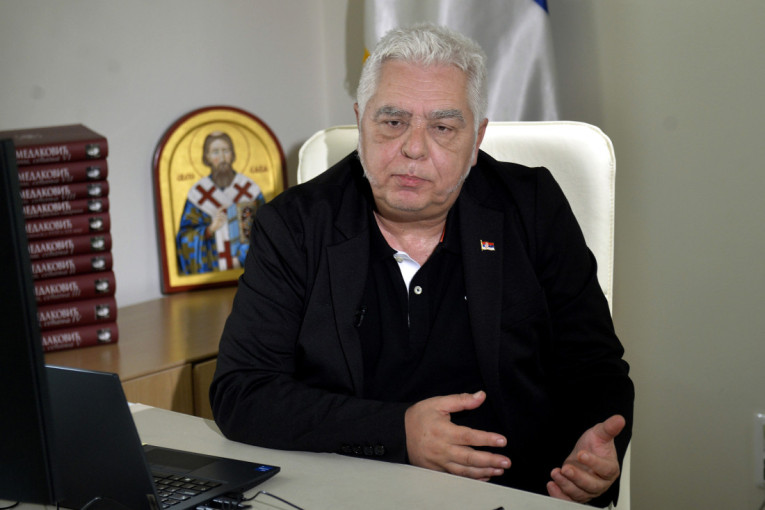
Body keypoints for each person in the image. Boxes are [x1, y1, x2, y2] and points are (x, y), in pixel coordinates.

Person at [210, 24, 634, 506]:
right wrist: (398, 431)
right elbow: (243, 392)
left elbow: (594, 366)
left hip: (518, 491)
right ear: (361, 122)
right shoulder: (295, 224)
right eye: (393, 122)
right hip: (353, 494)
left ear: (477, 139)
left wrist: (594, 454)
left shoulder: (532, 208)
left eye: (443, 128)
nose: (413, 148)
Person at [176, 131, 265, 274]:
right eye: (215, 152)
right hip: (212, 271)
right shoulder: (198, 194)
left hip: (249, 272)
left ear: (233, 154)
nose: (222, 158)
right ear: (207, 157)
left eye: (226, 151)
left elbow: (266, 231)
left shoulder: (250, 190)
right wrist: (209, 229)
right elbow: (184, 238)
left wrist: (243, 253)